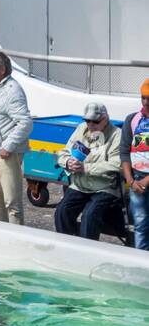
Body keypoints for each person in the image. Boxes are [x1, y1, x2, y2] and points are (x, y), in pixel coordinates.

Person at [55, 102, 124, 241]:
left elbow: (116, 165)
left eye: (95, 121)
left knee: (89, 216)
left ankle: (88, 255)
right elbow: (64, 152)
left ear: (106, 119)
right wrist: (68, 162)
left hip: (104, 187)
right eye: (87, 120)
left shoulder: (117, 134)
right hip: (79, 185)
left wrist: (86, 168)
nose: (91, 125)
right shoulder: (81, 129)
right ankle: (67, 246)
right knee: (62, 212)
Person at [0, 51, 33, 225]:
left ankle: (16, 237)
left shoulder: (13, 91)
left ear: (2, 70)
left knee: (11, 200)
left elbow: (25, 122)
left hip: (7, 153)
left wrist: (8, 146)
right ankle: (0, 233)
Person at [121, 80, 149, 250]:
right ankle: (142, 262)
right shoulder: (132, 119)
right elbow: (124, 151)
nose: (145, 102)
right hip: (136, 179)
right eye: (143, 98)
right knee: (140, 223)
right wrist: (130, 180)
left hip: (144, 181)